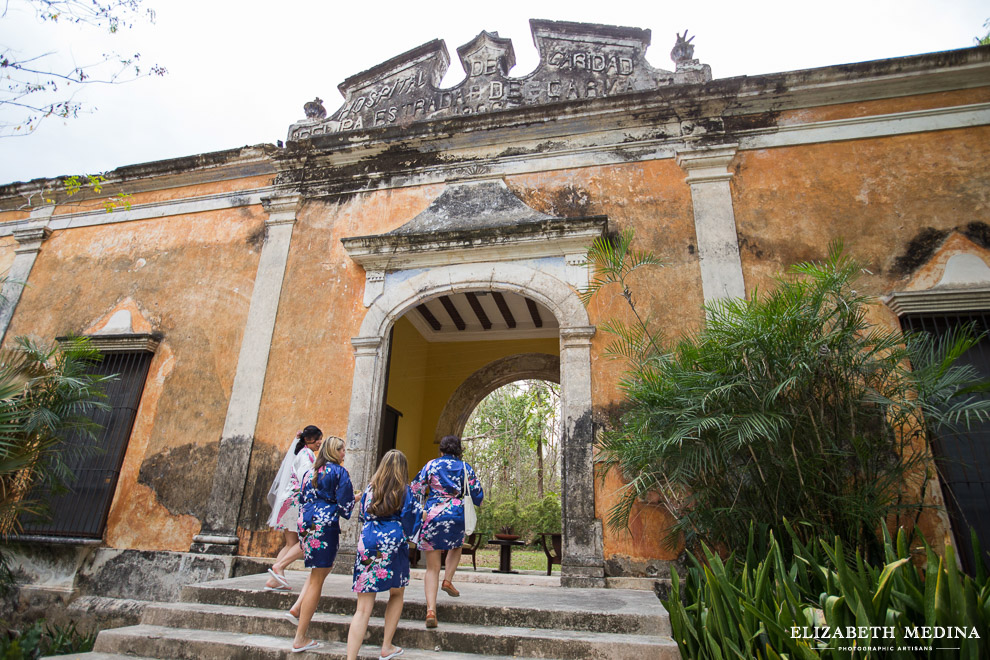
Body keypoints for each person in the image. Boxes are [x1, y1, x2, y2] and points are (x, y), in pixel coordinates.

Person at [346, 449, 422, 660]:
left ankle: (350, 657)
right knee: (396, 593)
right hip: (393, 541)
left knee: (362, 607)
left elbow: (362, 515)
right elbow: (410, 518)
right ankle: (386, 645)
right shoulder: (405, 491)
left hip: (368, 539)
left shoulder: (371, 489)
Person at [411, 435, 483, 629]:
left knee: (431, 568)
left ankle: (431, 611)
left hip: (433, 514)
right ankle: (448, 580)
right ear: (458, 451)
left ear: (441, 450)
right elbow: (477, 494)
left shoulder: (431, 465)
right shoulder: (465, 467)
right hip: (456, 514)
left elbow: (415, 488)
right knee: (456, 545)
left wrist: (419, 509)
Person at [291, 435, 354, 653]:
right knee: (318, 578)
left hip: (306, 522)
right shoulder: (339, 472)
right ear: (332, 452)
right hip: (324, 525)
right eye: (341, 449)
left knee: (321, 569)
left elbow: (302, 498)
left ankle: (298, 606)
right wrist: (357, 498)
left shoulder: (310, 473)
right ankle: (300, 637)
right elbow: (345, 506)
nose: (344, 453)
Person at [265, 426, 323, 593]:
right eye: (317, 439)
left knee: (290, 543)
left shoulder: (301, 453)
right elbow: (306, 478)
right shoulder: (307, 455)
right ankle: (279, 567)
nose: (320, 442)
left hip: (287, 500)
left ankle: (274, 577)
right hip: (296, 502)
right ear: (308, 439)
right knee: (305, 540)